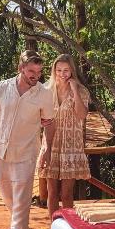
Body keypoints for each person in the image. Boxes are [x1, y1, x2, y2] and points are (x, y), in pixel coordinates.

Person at [0, 51, 55, 229]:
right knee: (9, 198)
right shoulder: (1, 88)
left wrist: (47, 149)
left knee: (22, 199)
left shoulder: (44, 94)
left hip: (27, 152)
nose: (36, 75)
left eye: (39, 72)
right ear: (21, 68)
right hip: (0, 150)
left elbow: (49, 123)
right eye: (31, 71)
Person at [36, 54, 90, 220]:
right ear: (54, 71)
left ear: (72, 71)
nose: (62, 73)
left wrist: (74, 89)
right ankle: (54, 226)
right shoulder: (45, 90)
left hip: (71, 146)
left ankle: (69, 228)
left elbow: (82, 115)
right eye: (58, 70)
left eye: (66, 70)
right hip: (51, 145)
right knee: (51, 193)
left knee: (66, 194)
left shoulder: (81, 91)